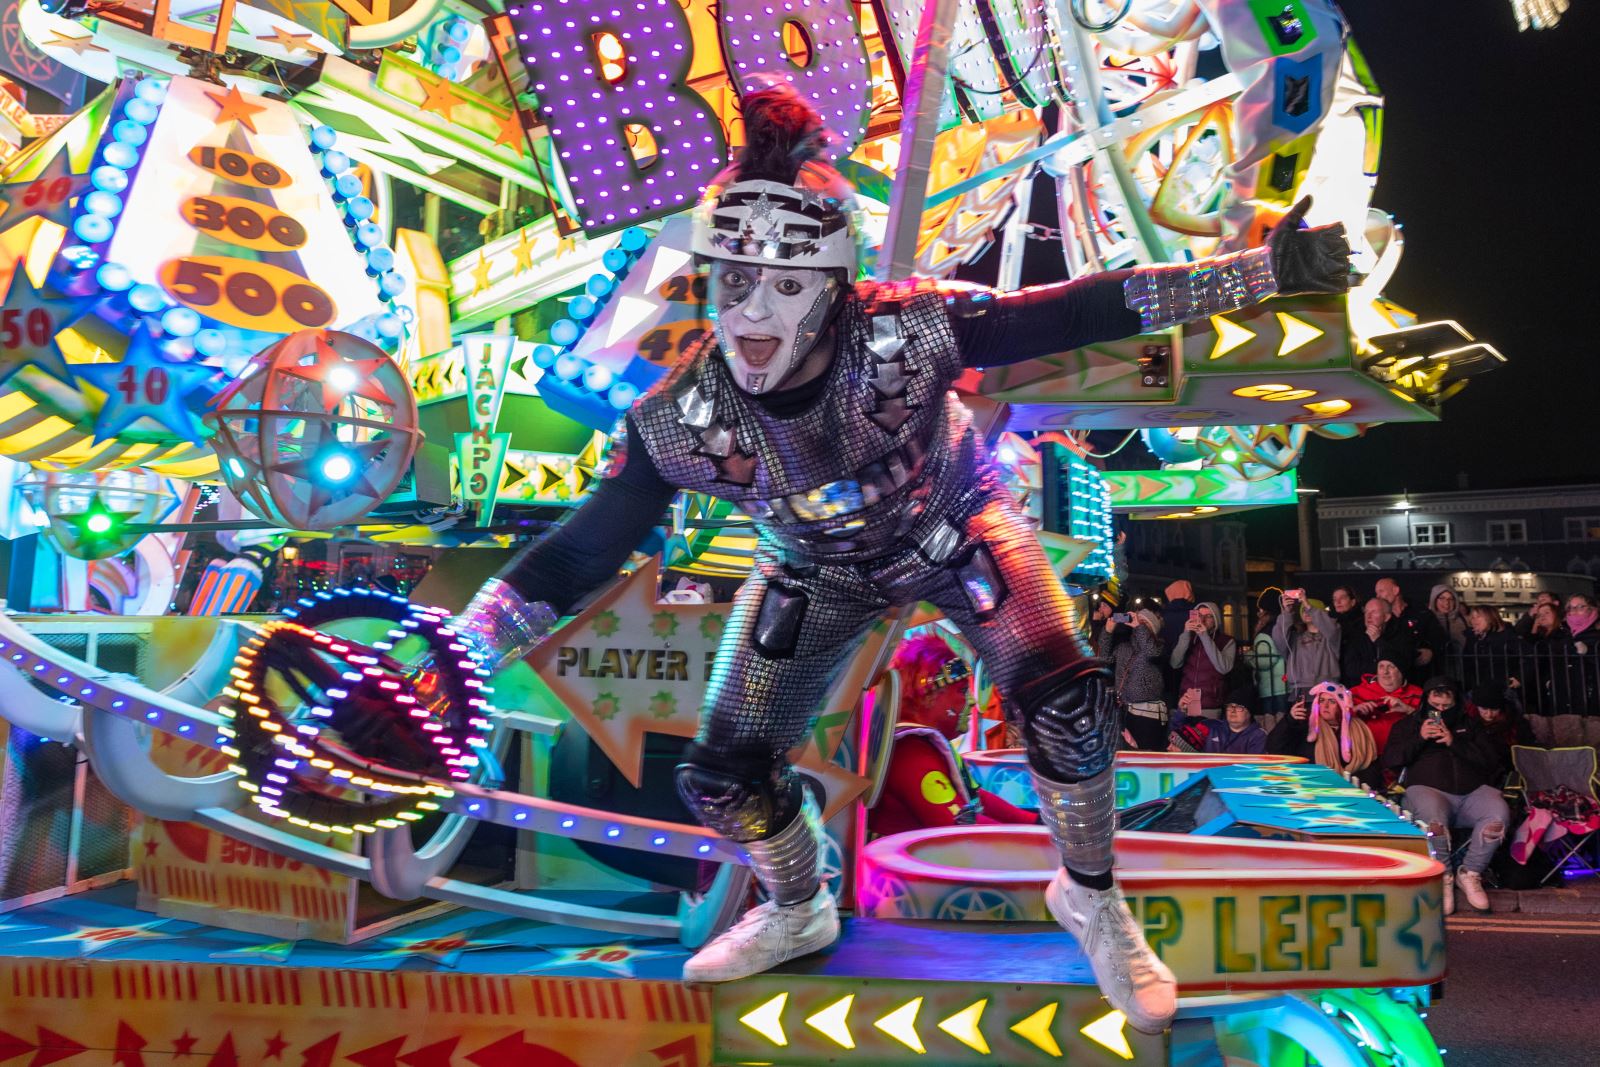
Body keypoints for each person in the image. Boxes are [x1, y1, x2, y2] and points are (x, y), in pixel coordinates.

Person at [432, 85, 1349, 1032]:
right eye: (732, 282)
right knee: (722, 776)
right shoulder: (678, 416)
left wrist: (1259, 272)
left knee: (1066, 702)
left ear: (833, 287)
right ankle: (798, 904)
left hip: (957, 525)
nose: (751, 315)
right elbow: (579, 552)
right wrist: (455, 650)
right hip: (816, 568)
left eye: (785, 285)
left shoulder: (909, 328)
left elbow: (1077, 311)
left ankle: (1090, 892)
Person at [870, 633, 1037, 836]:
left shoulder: (923, 746)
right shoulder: (911, 755)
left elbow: (975, 798)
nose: (972, 702)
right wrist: (1034, 836)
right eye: (962, 691)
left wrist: (1034, 822)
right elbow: (962, 828)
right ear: (929, 695)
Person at [1383, 677, 1510, 913]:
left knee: (1497, 815)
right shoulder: (1408, 725)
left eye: (1446, 706)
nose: (1440, 711)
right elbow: (1391, 760)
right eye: (1435, 705)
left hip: (1471, 792)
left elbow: (1491, 762)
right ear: (1426, 701)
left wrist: (1455, 742)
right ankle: (1443, 875)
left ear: (1456, 704)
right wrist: (1419, 738)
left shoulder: (1471, 725)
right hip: (1427, 789)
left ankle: (1470, 872)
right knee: (1434, 820)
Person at [1267, 681, 1379, 786]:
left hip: (1352, 790)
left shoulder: (1359, 729)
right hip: (1313, 787)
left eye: (1332, 701)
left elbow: (1370, 765)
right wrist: (1289, 721)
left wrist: (1352, 785)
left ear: (1342, 706)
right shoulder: (1306, 727)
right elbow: (1274, 748)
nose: (1325, 706)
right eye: (1321, 700)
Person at [1097, 607, 1168, 751]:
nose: (1138, 624)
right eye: (1137, 620)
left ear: (1152, 628)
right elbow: (1104, 660)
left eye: (1144, 622)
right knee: (1126, 754)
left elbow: (1151, 651)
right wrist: (1108, 632)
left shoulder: (1159, 646)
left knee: (1146, 756)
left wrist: (1138, 626)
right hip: (1124, 710)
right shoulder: (1124, 647)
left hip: (1147, 715)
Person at [1169, 601, 1237, 718]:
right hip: (1187, 702)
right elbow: (1175, 663)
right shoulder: (1189, 638)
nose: (1203, 620)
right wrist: (1186, 634)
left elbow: (1224, 668)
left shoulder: (1227, 641)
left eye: (1209, 616)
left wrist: (1204, 636)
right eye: (1199, 615)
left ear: (1216, 620)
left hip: (1210, 705)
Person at [1272, 590, 1340, 700]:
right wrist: (1287, 612)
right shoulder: (1294, 639)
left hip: (1327, 690)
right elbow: (1278, 638)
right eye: (1303, 610)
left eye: (1311, 609)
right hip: (1300, 690)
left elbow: (1331, 628)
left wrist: (1307, 604)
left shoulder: (1331, 637)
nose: (1307, 612)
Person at [1348, 657, 1421, 752]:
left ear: (1401, 671)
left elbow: (1437, 720)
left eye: (1391, 666)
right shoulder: (1355, 692)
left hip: (1404, 756)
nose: (1385, 672)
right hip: (1364, 755)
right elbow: (1331, 720)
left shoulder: (1418, 693)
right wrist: (1353, 711)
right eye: (1381, 666)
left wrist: (1409, 710)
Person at [1376, 577, 1440, 681]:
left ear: (1395, 590)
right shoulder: (1381, 618)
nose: (1378, 596)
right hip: (1392, 677)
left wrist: (1431, 651)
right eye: (1376, 593)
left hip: (1422, 673)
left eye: (1381, 591)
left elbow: (1438, 636)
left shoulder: (1420, 612)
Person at [1340, 596, 1413, 687]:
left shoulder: (1401, 633)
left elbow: (1400, 664)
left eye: (1374, 612)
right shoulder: (1356, 634)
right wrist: (1380, 669)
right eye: (1366, 612)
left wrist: (1378, 641)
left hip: (1392, 690)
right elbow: (1351, 669)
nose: (1368, 616)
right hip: (1362, 690)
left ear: (1386, 617)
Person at [1183, 683, 1266, 754]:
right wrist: (1181, 711)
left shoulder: (1258, 736)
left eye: (1239, 707)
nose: (1233, 711)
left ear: (1249, 713)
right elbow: (1177, 739)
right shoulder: (1211, 727)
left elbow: (1253, 767)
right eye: (1230, 706)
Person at [1251, 606, 1289, 723]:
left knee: (1271, 720)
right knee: (1284, 718)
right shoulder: (1285, 630)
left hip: (1271, 686)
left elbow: (1264, 662)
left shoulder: (1264, 634)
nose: (1258, 614)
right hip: (1285, 684)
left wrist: (1250, 658)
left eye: (1261, 610)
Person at [1428, 585, 1470, 657]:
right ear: (1434, 600)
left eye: (1450, 599)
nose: (1447, 602)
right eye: (1442, 598)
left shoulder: (1467, 621)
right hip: (1435, 666)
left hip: (1463, 666)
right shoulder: (1426, 621)